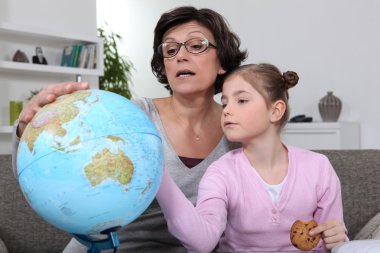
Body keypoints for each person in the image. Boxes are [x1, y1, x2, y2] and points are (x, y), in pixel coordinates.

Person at [11, 6, 247, 252]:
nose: (180, 56)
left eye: (196, 45)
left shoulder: (241, 129)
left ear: (222, 61)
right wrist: (27, 129)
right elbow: (41, 173)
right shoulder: (131, 117)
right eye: (170, 49)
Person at [156, 63, 348, 252]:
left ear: (275, 111)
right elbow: (202, 242)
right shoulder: (221, 172)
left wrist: (338, 239)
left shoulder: (318, 167)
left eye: (241, 100)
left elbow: (330, 241)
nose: (227, 110)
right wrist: (159, 176)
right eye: (224, 103)